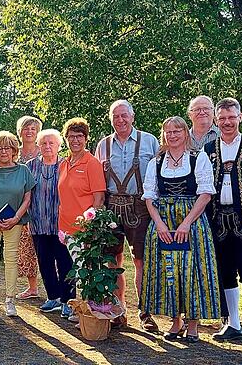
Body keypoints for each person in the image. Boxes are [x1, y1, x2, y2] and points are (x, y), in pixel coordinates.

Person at [140, 116, 219, 343]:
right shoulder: (156, 162)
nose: (172, 135)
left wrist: (186, 223)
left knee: (192, 271)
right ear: (163, 135)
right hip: (163, 221)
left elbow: (205, 194)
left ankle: (193, 323)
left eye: (177, 131)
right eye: (168, 132)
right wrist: (159, 223)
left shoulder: (198, 158)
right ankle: (176, 321)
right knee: (169, 272)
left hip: (192, 221)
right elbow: (149, 197)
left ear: (186, 133)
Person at [204, 98, 242, 348]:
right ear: (216, 121)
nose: (227, 123)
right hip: (218, 219)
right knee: (225, 272)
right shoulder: (209, 149)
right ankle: (233, 324)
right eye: (223, 118)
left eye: (232, 117)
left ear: (240, 118)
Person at [95, 100, 160, 331]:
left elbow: (158, 176)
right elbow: (97, 182)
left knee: (141, 261)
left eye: (124, 115)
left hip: (139, 206)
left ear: (132, 117)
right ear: (110, 119)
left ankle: (145, 312)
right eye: (115, 116)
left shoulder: (150, 141)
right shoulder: (103, 145)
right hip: (111, 206)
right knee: (112, 262)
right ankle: (118, 310)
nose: (120, 120)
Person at [0, 131, 34, 318]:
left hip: (14, 222)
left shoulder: (23, 171)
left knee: (11, 259)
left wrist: (17, 217)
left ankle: (10, 300)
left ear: (14, 150)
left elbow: (28, 197)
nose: (3, 151)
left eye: (7, 148)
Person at [58, 117, 106, 321]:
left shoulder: (92, 163)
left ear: (86, 138)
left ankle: (88, 313)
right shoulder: (64, 164)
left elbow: (99, 198)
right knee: (74, 270)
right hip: (65, 228)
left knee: (85, 271)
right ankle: (80, 309)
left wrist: (90, 225)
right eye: (71, 137)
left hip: (84, 229)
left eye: (79, 136)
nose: (75, 140)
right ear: (66, 139)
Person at [27, 130, 75, 315]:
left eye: (51, 143)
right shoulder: (30, 166)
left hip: (61, 224)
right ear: (39, 146)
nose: (47, 147)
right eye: (44, 143)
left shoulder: (66, 165)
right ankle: (52, 297)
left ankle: (67, 300)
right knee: (44, 261)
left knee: (65, 262)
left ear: (58, 145)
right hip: (38, 223)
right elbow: (25, 193)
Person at [15, 115, 42, 300]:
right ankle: (32, 287)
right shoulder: (14, 152)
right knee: (26, 248)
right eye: (26, 128)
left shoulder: (46, 149)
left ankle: (54, 288)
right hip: (21, 206)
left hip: (43, 205)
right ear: (20, 132)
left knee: (48, 247)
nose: (30, 131)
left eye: (33, 128)